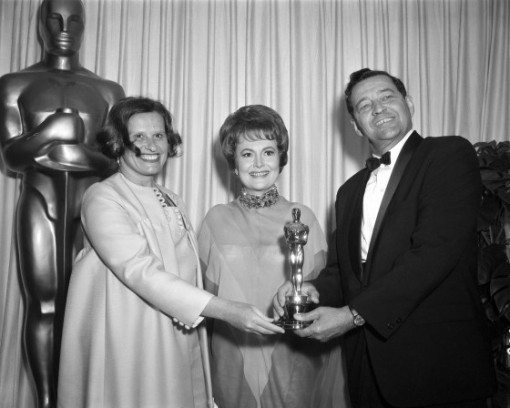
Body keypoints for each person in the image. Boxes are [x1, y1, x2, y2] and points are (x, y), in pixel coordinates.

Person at [274, 68, 496, 407]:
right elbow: (343, 271)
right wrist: (310, 289)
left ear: (408, 103)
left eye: (387, 97)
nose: (378, 109)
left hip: (439, 368)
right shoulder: (348, 192)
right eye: (365, 105)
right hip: (368, 370)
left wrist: (351, 315)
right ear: (355, 124)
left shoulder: (448, 155)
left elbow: (434, 253)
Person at [57, 97, 283, 408]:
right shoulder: (103, 197)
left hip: (178, 332)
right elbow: (140, 271)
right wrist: (228, 310)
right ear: (117, 143)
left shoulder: (171, 198)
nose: (151, 145)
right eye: (138, 136)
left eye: (159, 135)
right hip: (129, 338)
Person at [0, 1, 125, 407]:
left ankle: (82, 397)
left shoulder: (107, 91)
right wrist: (51, 131)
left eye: (73, 19)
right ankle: (48, 402)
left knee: (85, 308)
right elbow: (12, 157)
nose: (63, 27)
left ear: (85, 26)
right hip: (40, 201)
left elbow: (112, 162)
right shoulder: (14, 84)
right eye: (54, 18)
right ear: (40, 24)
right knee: (45, 304)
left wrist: (63, 153)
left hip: (91, 209)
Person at [198, 105, 347, 408]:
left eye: (268, 152)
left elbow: (324, 293)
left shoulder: (302, 216)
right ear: (233, 162)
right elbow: (203, 301)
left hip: (296, 356)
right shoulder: (215, 219)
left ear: (281, 158)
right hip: (231, 356)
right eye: (247, 153)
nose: (258, 163)